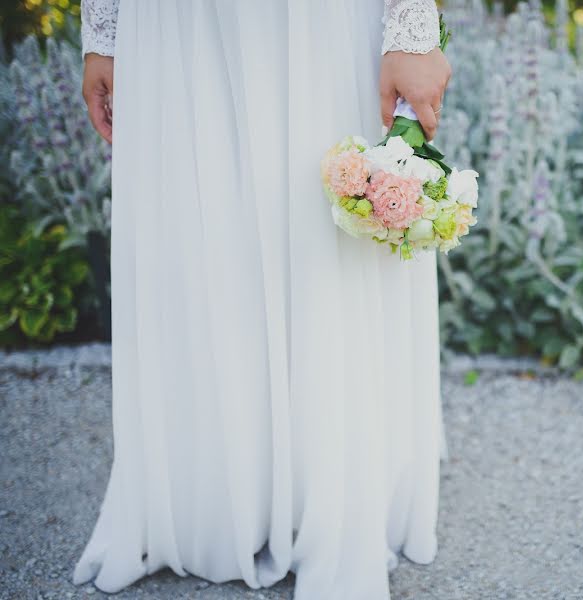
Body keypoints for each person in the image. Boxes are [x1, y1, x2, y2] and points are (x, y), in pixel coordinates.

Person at [73, 2, 451, 599]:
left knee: (319, 223)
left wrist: (411, 27)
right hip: (174, 25)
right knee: (200, 234)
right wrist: (105, 30)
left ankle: (333, 488)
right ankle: (216, 496)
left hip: (315, 19)